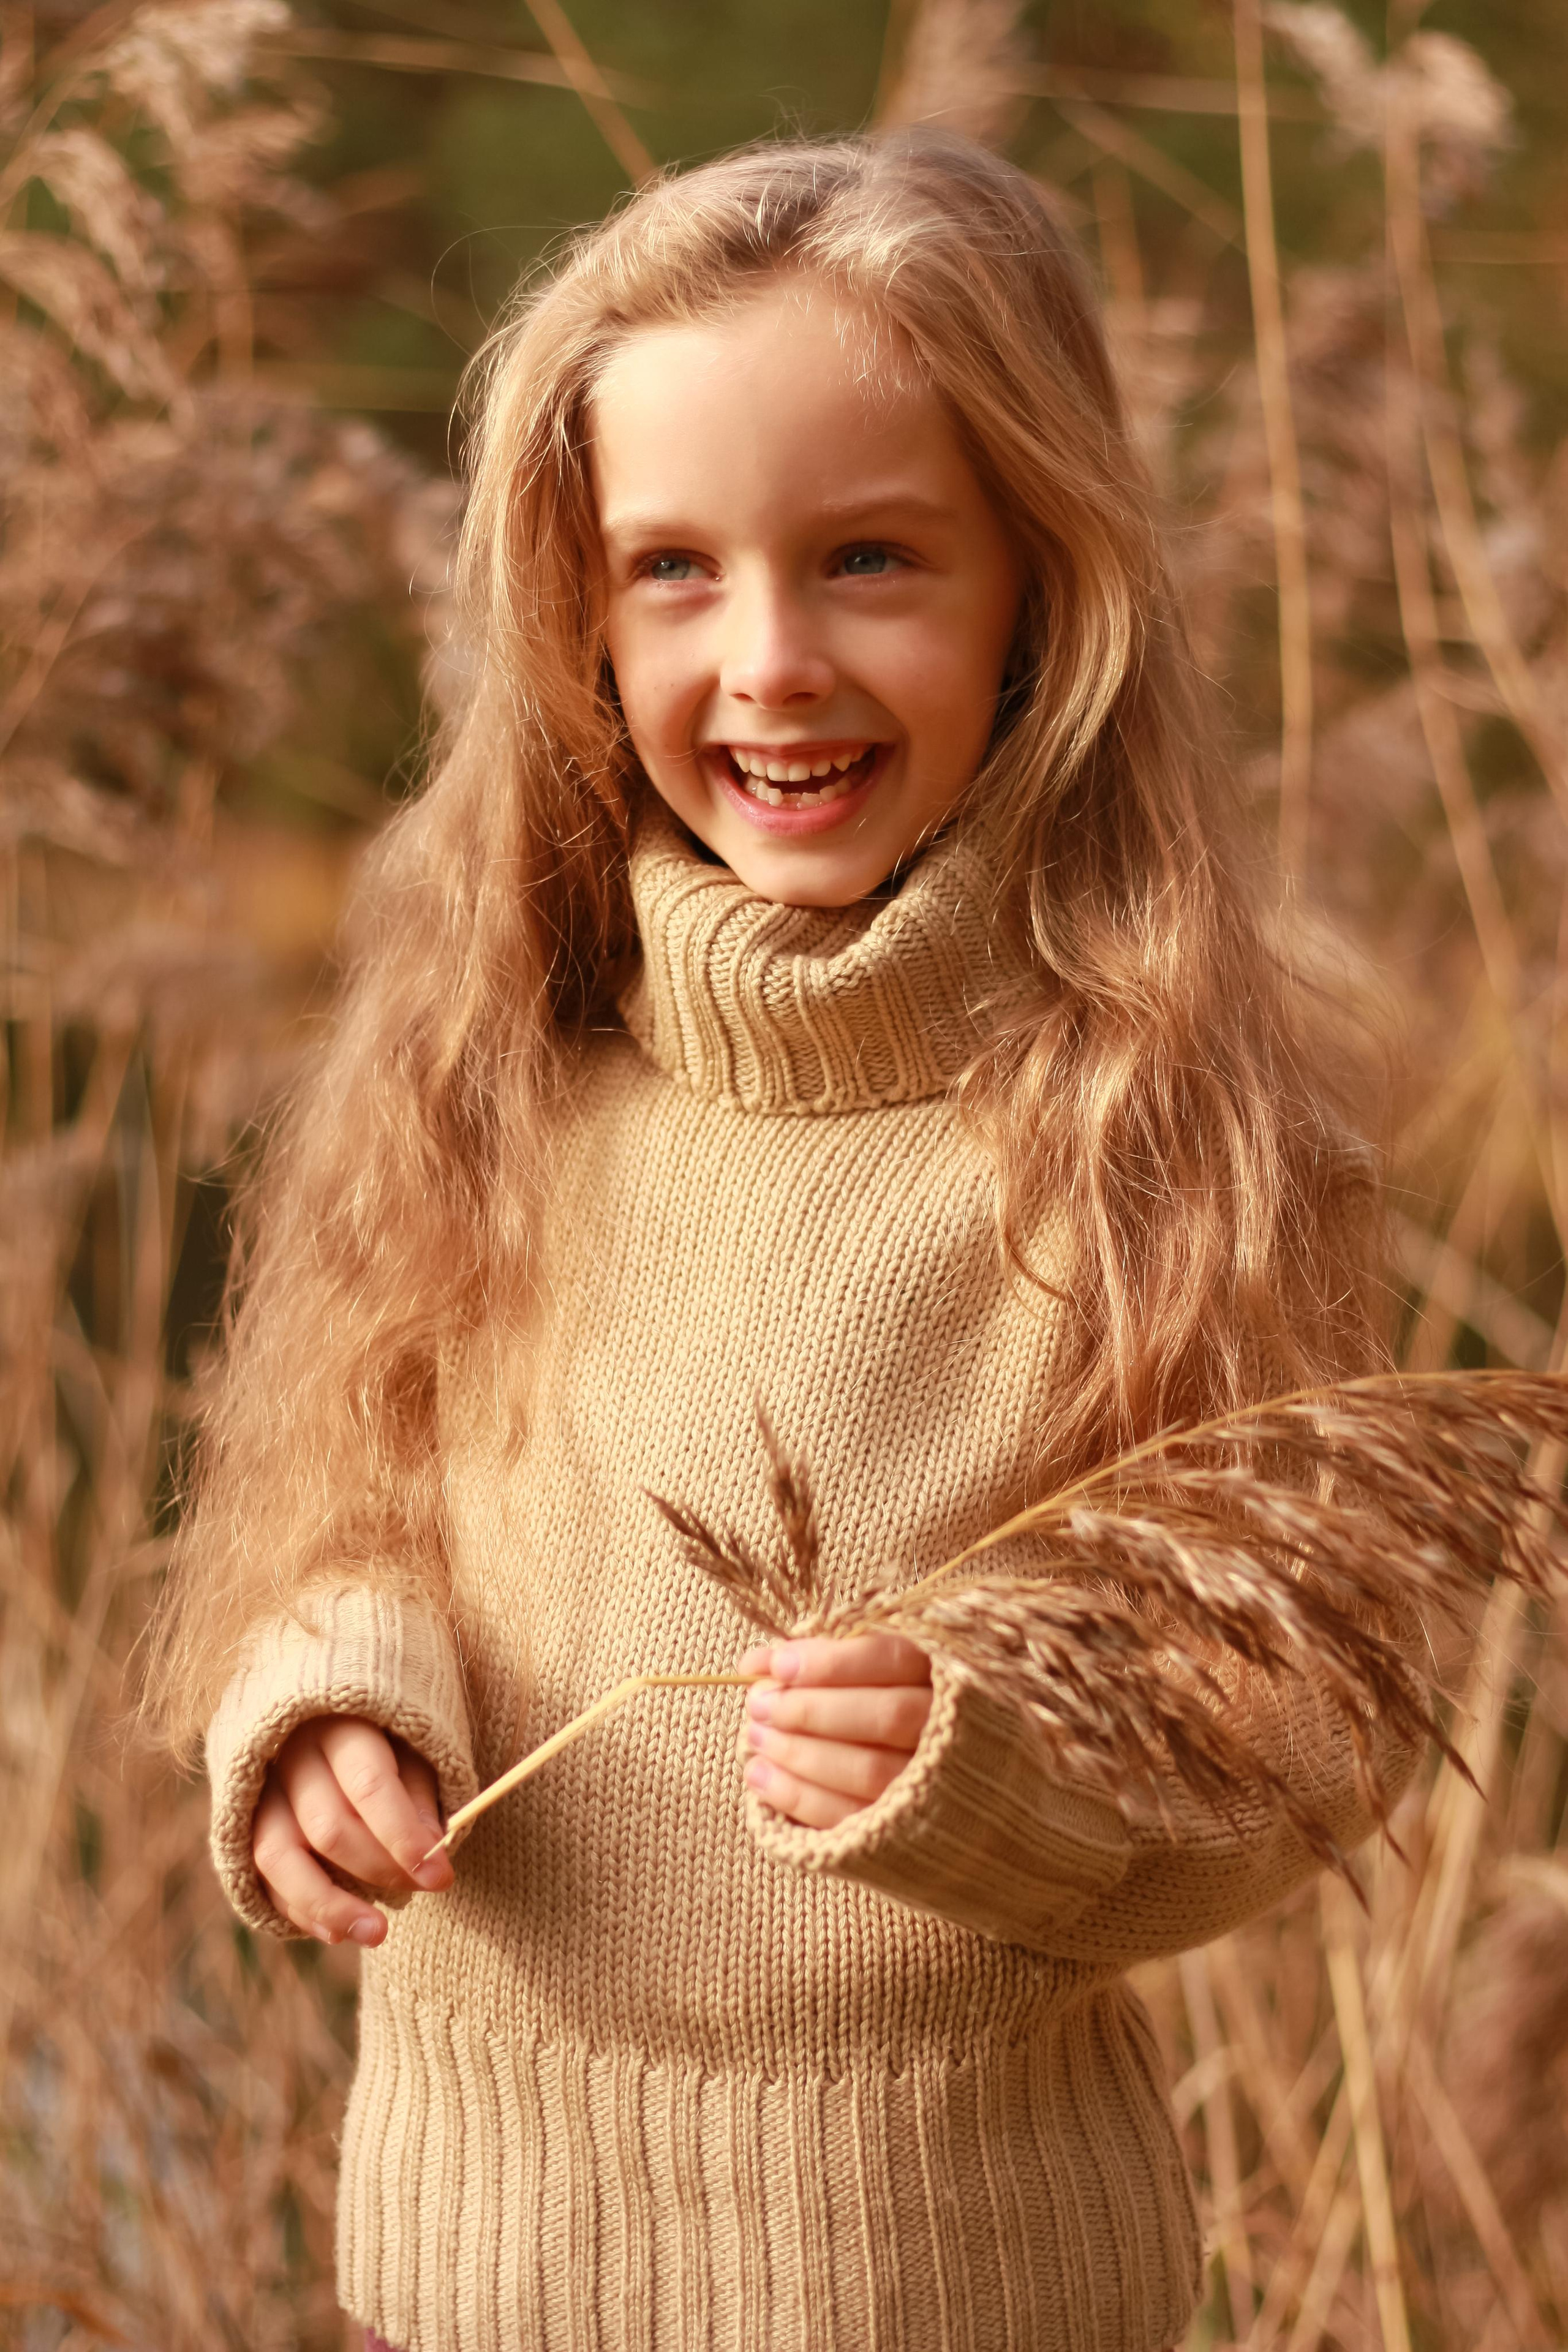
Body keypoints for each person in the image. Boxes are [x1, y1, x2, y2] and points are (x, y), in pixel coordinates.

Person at [147, 131, 1409, 2352]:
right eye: (673, 572)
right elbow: (358, 1504)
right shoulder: (501, 1067)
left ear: (1045, 581)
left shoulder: (1158, 1148)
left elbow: (1294, 1752)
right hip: (482, 2266)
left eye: (870, 560)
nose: (771, 663)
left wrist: (992, 1767)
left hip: (953, 2280)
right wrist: (331, 1694)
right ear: (574, 609)